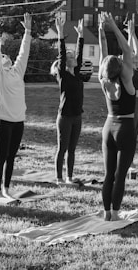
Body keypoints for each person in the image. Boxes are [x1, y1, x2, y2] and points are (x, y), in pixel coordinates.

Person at [0, 10, 32, 202]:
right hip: (4, 121)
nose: (4, 57)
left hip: (18, 121)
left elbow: (24, 53)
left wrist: (28, 32)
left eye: (7, 56)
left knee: (12, 157)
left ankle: (6, 188)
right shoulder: (0, 74)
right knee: (1, 157)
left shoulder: (17, 72)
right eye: (3, 56)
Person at [98, 11, 136, 221]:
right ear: (120, 68)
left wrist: (102, 31)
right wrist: (113, 26)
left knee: (108, 175)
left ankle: (106, 214)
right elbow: (127, 49)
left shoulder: (103, 81)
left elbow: (104, 56)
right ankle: (114, 213)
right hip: (125, 129)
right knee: (120, 176)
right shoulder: (127, 80)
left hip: (108, 127)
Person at [50, 17, 84, 184]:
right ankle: (59, 178)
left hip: (77, 116)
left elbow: (79, 53)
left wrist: (81, 36)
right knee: (62, 148)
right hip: (65, 117)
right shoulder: (63, 76)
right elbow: (62, 54)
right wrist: (61, 34)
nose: (74, 57)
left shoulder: (76, 74)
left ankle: (69, 177)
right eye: (71, 57)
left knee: (72, 149)